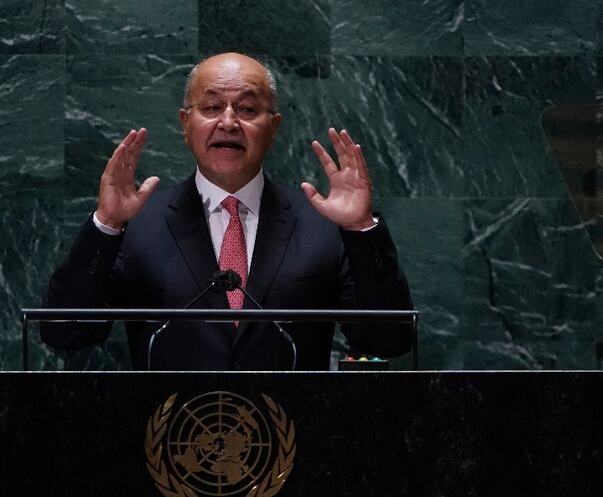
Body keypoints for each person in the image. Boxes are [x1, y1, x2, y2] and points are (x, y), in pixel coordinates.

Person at [41, 52, 413, 370]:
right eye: (212, 106)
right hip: (169, 441)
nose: (229, 122)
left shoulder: (323, 223)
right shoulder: (137, 223)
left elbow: (388, 340)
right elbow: (65, 332)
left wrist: (362, 229)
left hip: (291, 442)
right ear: (186, 124)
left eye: (248, 108)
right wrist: (106, 226)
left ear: (273, 127)